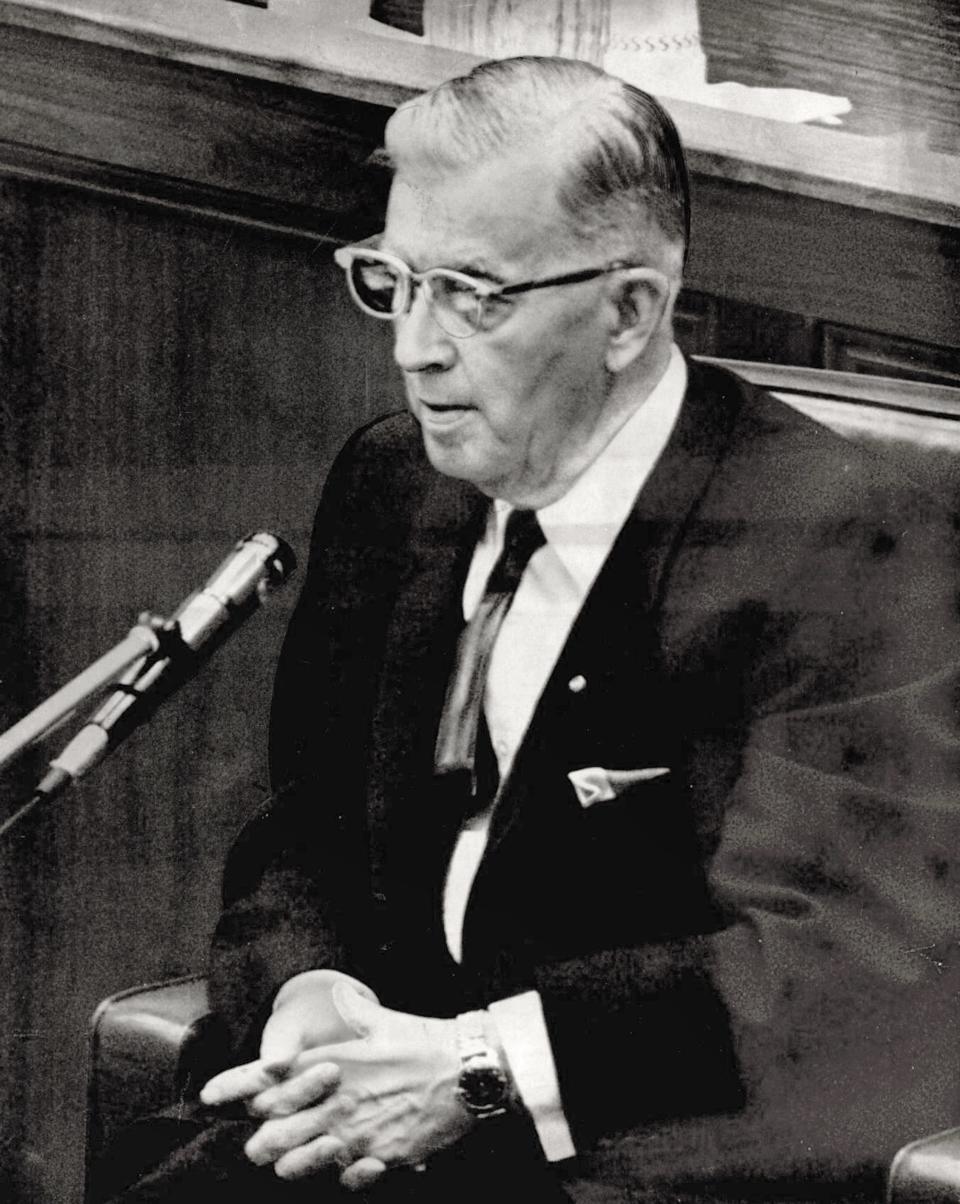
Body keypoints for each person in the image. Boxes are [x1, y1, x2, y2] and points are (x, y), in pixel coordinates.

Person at [105, 55, 960, 1204]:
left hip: (633, 1161)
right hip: (361, 1135)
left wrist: (481, 1072)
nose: (416, 347)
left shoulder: (842, 537)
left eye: (474, 292)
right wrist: (305, 994)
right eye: (394, 282)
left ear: (628, 312)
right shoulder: (392, 480)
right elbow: (300, 834)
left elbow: (823, 975)